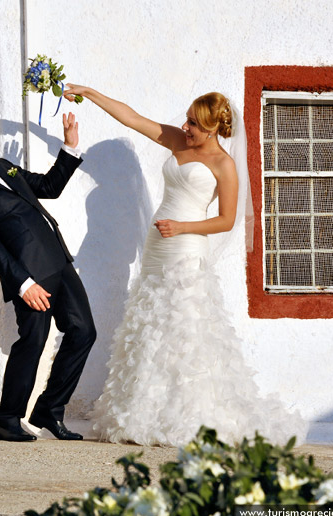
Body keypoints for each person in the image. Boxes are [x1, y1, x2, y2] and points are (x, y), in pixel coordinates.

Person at [63, 84, 305, 446]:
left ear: (212, 128)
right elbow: (132, 117)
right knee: (151, 322)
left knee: (184, 325)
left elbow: (226, 220)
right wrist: (90, 93)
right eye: (187, 120)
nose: (186, 127)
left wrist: (183, 228)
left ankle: (190, 415)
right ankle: (144, 410)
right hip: (159, 243)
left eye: (193, 123)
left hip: (187, 245)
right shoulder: (179, 142)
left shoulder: (224, 164)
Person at [0, 113, 96, 442]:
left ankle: (50, 411)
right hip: (31, 277)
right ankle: (7, 420)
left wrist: (69, 146)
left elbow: (48, 188)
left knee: (83, 332)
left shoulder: (1, 166)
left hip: (59, 261)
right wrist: (24, 284)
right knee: (33, 342)